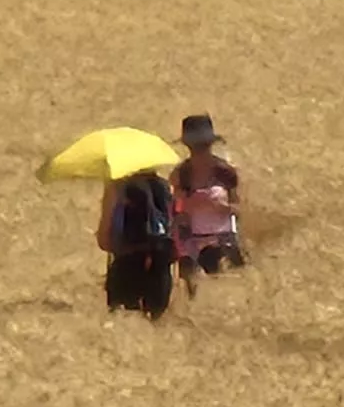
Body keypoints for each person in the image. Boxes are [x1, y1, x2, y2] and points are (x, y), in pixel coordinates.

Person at [170, 114, 245, 295]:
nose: (200, 151)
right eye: (196, 147)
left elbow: (240, 212)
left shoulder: (225, 172)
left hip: (223, 242)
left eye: (202, 146)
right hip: (192, 245)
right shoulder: (181, 174)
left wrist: (222, 207)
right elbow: (175, 213)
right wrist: (186, 206)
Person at [96, 171, 175, 319]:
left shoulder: (117, 188)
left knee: (123, 322)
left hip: (127, 263)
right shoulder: (165, 187)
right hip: (160, 262)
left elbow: (104, 241)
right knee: (156, 324)